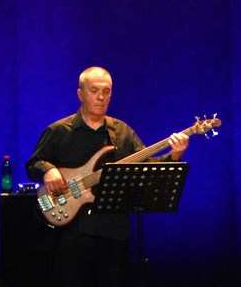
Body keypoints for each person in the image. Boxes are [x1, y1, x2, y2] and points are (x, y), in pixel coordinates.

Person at [26, 65, 189, 287]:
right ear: (80, 94)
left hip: (113, 231)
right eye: (94, 91)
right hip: (73, 232)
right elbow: (33, 164)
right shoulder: (59, 131)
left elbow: (148, 168)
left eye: (106, 91)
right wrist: (48, 170)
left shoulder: (122, 132)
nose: (101, 97)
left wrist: (174, 155)